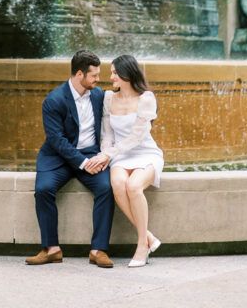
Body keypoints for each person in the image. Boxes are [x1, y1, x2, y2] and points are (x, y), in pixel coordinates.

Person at [25, 50, 115, 267]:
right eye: (93, 75)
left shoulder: (99, 95)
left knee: (106, 188)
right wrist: (84, 164)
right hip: (58, 157)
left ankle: (98, 250)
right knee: (43, 190)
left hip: (91, 154)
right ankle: (51, 249)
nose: (97, 79)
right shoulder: (54, 100)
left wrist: (101, 157)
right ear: (79, 74)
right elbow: (57, 140)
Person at [98, 54, 164, 267]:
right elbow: (107, 134)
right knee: (118, 183)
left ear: (128, 73)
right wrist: (106, 153)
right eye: (112, 72)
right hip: (120, 156)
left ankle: (142, 246)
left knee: (134, 186)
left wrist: (109, 153)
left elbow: (137, 136)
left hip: (145, 152)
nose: (111, 77)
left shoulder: (146, 98)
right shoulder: (109, 98)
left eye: (115, 72)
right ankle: (148, 236)